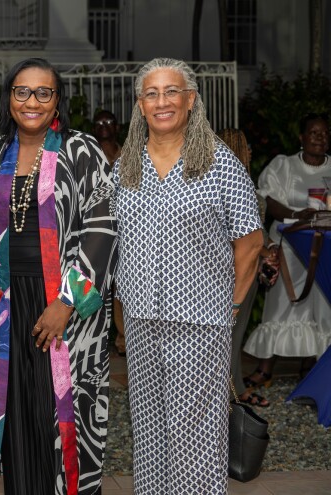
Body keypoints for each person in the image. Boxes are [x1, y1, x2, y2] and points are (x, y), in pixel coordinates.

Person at [0, 58, 117, 494]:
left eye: (43, 92)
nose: (32, 101)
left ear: (57, 101)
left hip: (66, 311)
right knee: (14, 418)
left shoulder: (82, 151)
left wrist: (66, 302)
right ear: (9, 98)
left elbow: (103, 228)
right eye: (22, 91)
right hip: (3, 306)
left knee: (62, 418)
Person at [113, 58, 263, 494]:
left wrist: (231, 307)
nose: (162, 101)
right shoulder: (125, 167)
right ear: (140, 105)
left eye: (171, 91)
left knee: (195, 437)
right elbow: (111, 242)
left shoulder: (219, 163)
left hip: (200, 324)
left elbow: (250, 244)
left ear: (191, 99)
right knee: (150, 432)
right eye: (151, 93)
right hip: (141, 323)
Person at [243, 113, 331, 383]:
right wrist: (296, 214)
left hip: (324, 248)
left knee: (319, 307)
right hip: (289, 246)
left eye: (325, 133)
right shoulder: (284, 165)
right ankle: (265, 369)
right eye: (314, 133)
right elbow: (269, 202)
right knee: (281, 305)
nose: (320, 138)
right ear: (302, 137)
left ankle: (309, 368)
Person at [218, 128, 277, 407]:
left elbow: (255, 229)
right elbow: (234, 234)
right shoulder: (227, 184)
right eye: (246, 146)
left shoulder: (242, 182)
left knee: (234, 334)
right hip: (234, 270)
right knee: (230, 333)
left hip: (249, 266)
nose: (251, 151)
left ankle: (232, 389)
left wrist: (269, 249)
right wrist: (265, 252)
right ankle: (231, 392)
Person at [91, 110, 127, 357]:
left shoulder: (129, 153)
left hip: (125, 228)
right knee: (97, 282)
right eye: (99, 122)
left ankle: (123, 339)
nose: (104, 126)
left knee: (122, 285)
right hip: (97, 229)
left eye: (109, 122)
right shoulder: (89, 154)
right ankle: (96, 336)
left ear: (117, 127)